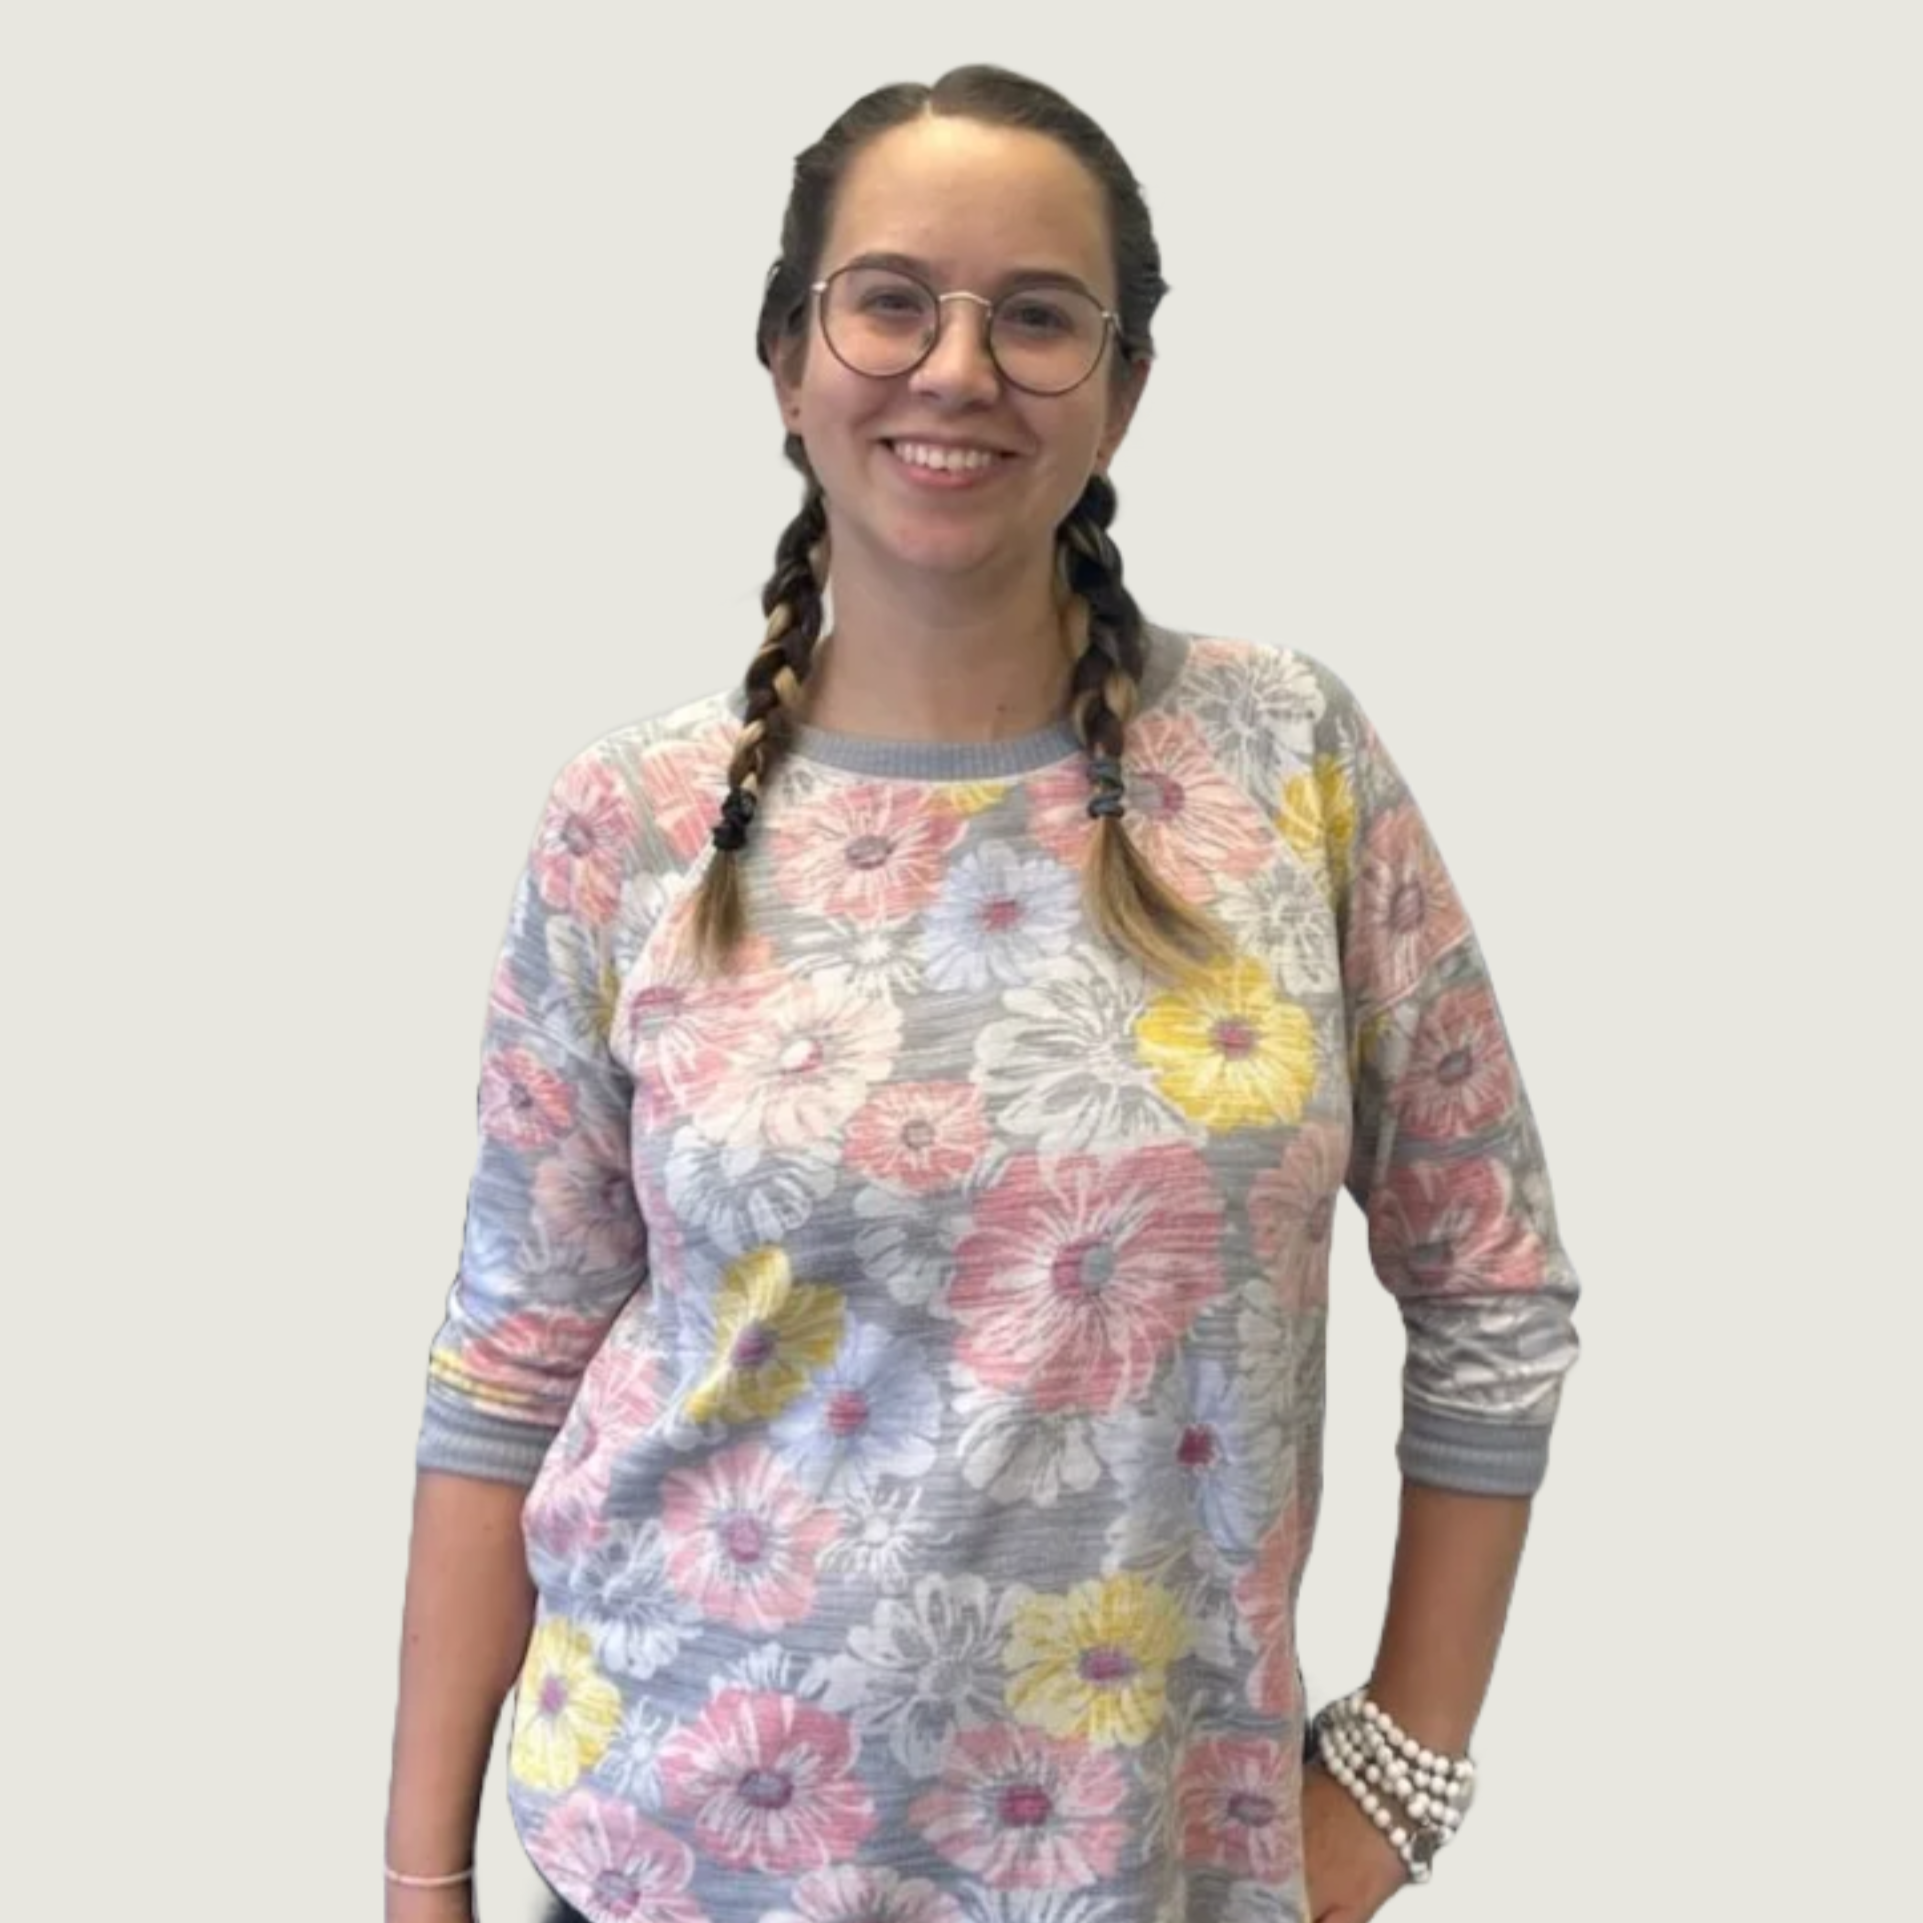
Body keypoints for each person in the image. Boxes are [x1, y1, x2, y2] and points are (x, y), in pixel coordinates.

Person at [384, 64, 1581, 1923]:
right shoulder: (630, 823)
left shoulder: (1290, 764)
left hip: (1154, 1877)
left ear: (1125, 387)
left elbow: (1489, 1278)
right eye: (889, 300)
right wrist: (418, 1867)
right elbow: (508, 1360)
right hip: (667, 1860)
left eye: (1037, 316)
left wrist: (1401, 1772)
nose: (957, 368)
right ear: (787, 359)